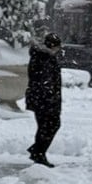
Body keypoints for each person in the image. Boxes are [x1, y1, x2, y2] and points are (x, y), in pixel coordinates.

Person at [26, 31, 63, 168]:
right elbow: (44, 81)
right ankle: (38, 152)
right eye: (57, 47)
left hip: (42, 98)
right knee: (50, 125)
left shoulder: (43, 57)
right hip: (44, 99)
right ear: (52, 46)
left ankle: (38, 151)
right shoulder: (44, 58)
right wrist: (50, 95)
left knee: (46, 126)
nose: (58, 50)